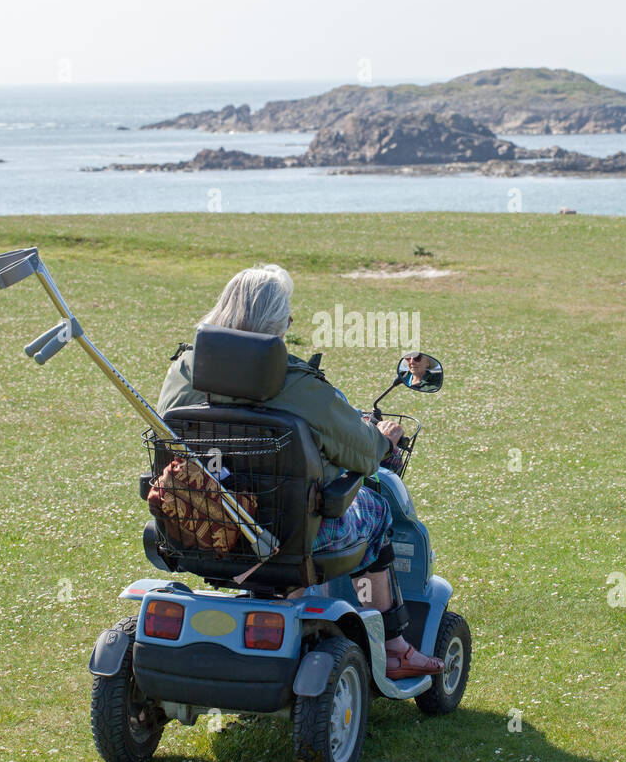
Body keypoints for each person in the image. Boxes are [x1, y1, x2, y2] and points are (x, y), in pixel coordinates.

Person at [157, 263, 444, 678]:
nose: (291, 319)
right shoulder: (297, 383)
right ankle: (395, 647)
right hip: (288, 535)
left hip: (201, 525)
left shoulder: (184, 370)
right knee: (377, 512)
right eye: (287, 312)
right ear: (277, 322)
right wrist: (385, 439)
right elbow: (363, 453)